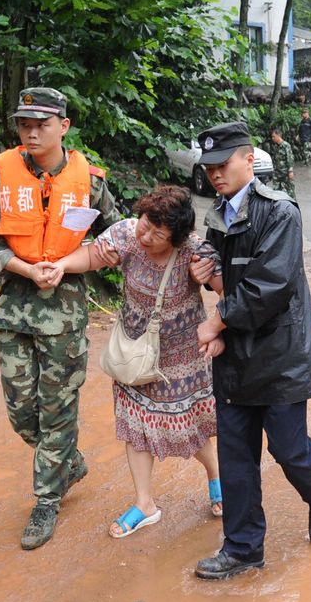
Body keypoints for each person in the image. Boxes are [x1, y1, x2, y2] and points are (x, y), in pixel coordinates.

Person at [0, 87, 120, 550]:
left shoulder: (90, 180)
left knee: (57, 407)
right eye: (24, 125)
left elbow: (116, 239)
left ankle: (46, 499)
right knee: (22, 414)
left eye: (42, 124)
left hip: (65, 311)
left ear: (64, 127)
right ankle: (68, 462)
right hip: (13, 307)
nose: (32, 132)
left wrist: (69, 263)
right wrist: (26, 267)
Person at [190, 121, 311, 579]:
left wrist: (216, 321)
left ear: (248, 159)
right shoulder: (216, 215)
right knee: (236, 455)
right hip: (237, 358)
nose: (215, 173)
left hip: (281, 356)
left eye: (223, 163)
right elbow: (224, 279)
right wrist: (209, 281)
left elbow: (269, 286)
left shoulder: (280, 214)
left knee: (289, 450)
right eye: (209, 167)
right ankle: (242, 548)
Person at [45, 185, 225, 536]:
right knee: (136, 425)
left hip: (182, 358)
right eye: (146, 223)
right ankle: (145, 504)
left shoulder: (194, 251)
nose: (146, 235)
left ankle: (217, 477)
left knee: (191, 426)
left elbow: (228, 293)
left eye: (159, 233)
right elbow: (93, 255)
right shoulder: (128, 233)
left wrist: (218, 331)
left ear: (176, 238)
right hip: (135, 352)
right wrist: (62, 265)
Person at [270, 128, 296, 199]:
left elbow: (289, 158)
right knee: (276, 191)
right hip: (277, 173)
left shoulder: (286, 145)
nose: (272, 138)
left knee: (290, 191)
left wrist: (290, 171)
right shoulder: (275, 146)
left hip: (285, 172)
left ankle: (293, 205)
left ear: (279, 135)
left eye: (274, 136)